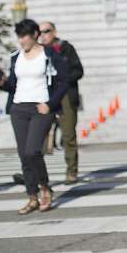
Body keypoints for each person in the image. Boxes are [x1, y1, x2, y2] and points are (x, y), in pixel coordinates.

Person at [0, 19, 71, 215]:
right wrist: (1, 83)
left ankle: (45, 188)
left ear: (35, 35)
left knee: (32, 151)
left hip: (41, 108)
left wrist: (51, 104)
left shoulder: (50, 54)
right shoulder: (16, 56)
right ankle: (32, 197)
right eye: (19, 36)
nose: (21, 41)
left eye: (24, 36)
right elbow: (13, 84)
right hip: (18, 109)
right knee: (23, 156)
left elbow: (64, 81)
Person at [37, 22, 84, 184]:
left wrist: (63, 79)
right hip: (45, 95)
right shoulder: (37, 52)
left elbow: (79, 71)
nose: (43, 35)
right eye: (40, 32)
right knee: (38, 135)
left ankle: (72, 171)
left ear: (54, 32)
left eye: (46, 31)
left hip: (65, 95)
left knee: (68, 135)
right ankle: (35, 172)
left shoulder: (65, 48)